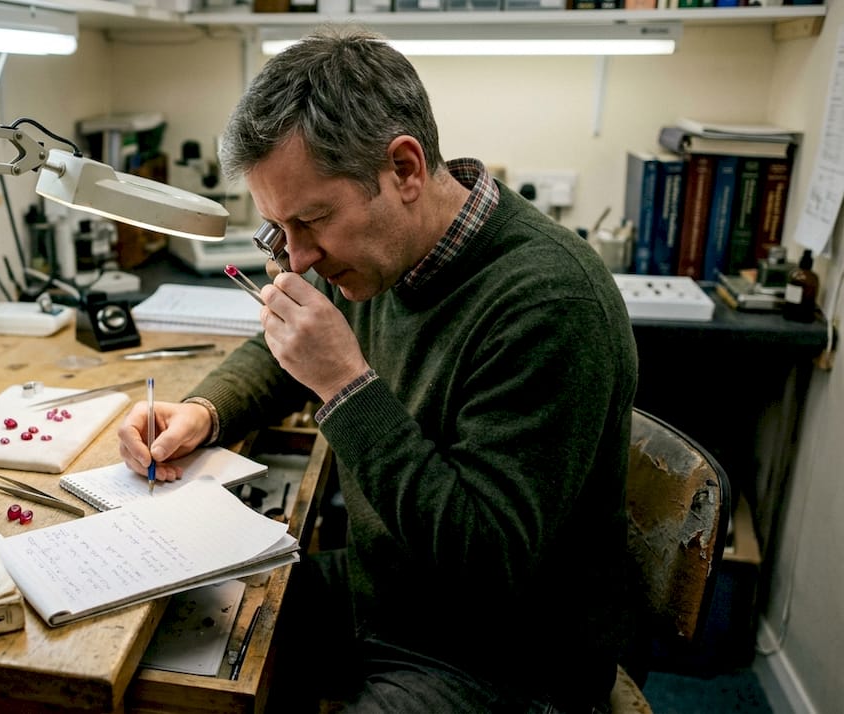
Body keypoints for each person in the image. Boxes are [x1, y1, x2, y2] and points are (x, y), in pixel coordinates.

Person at [117, 28, 637, 713]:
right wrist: (204, 411)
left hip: (501, 655)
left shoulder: (548, 302)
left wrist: (345, 386)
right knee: (160, 627)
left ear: (405, 169)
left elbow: (487, 558)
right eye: (277, 231)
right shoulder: (378, 251)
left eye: (311, 220)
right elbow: (289, 341)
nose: (297, 259)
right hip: (386, 597)